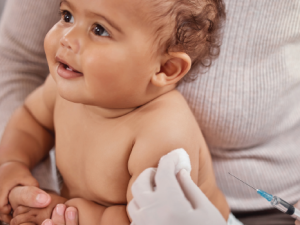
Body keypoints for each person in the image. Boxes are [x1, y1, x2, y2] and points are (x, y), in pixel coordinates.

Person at [1, 0, 300, 225]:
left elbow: (140, 218)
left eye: (99, 30)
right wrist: (12, 164)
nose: (67, 38)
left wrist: (62, 210)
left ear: (165, 69)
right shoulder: (68, 84)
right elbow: (31, 120)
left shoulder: (162, 132)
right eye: (67, 16)